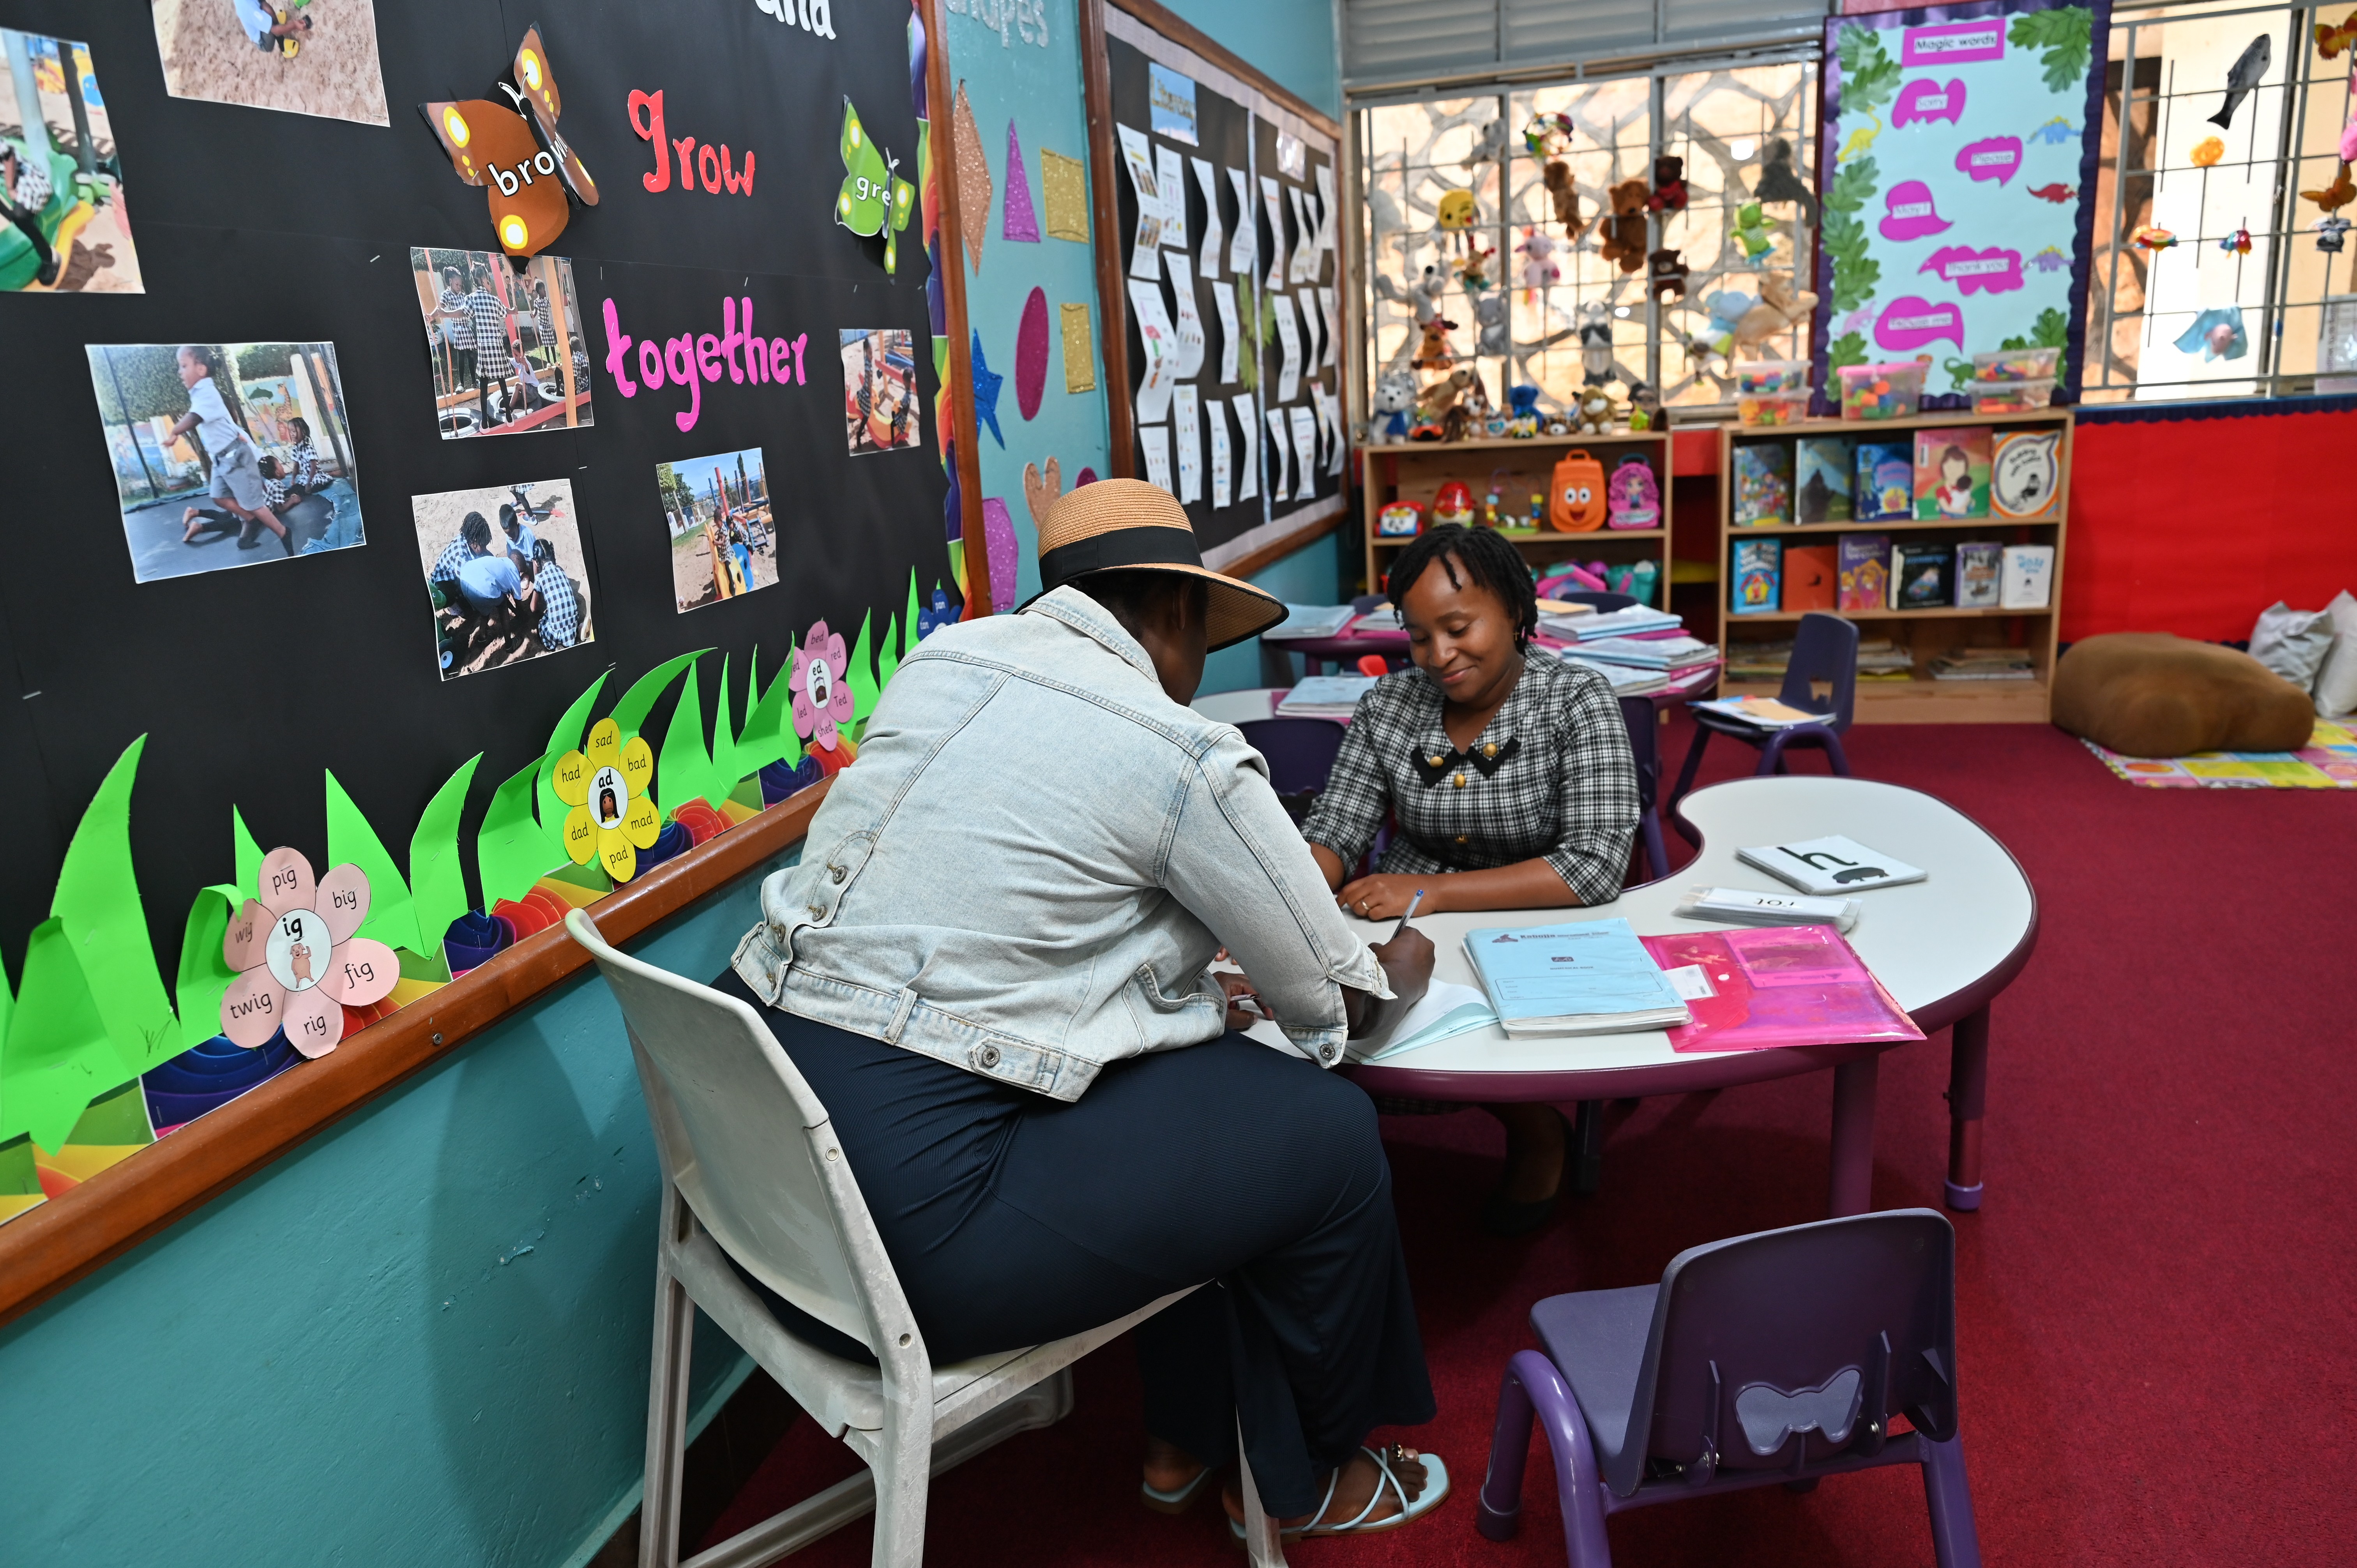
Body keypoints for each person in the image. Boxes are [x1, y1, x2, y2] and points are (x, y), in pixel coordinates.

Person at [716, 480, 1453, 1543]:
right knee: (1328, 1135)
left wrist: (1178, 1002)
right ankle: (1309, 1474)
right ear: (1177, 610)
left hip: (764, 1181)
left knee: (1203, 1084)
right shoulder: (1179, 748)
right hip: (904, 1244)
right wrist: (1407, 963)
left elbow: (1004, 928)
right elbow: (1337, 1002)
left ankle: (1181, 1439)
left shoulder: (942, 661)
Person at [1299, 524, 1639, 1235]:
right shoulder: (1387, 705)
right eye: (1419, 637)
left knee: (1485, 1027)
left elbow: (1596, 863)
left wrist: (1433, 893)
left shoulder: (1576, 698)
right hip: (1410, 920)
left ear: (1514, 610)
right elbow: (1335, 830)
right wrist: (1281, 893)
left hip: (1538, 914)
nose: (1438, 656)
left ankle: (1534, 1125)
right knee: (1351, 1022)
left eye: (1458, 629)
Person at [166, 346, 291, 556]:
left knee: (252, 506)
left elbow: (194, 418)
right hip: (222, 460)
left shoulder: (208, 393)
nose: (180, 372)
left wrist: (175, 431)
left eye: (184, 366)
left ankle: (283, 532)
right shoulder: (199, 395)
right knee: (218, 497)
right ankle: (249, 520)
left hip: (236, 458)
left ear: (201, 369)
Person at [451, 510, 538, 631]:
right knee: (502, 605)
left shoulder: (494, 559)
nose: (485, 550)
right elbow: (517, 599)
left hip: (467, 585)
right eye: (483, 545)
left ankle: (483, 635)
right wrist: (521, 613)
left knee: (486, 612)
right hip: (468, 586)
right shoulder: (462, 555)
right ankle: (509, 640)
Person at [0, 140, 60, 288]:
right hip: (6, 175)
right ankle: (19, 226)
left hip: (25, 176)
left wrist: (10, 188)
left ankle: (49, 256)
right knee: (17, 218)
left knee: (20, 216)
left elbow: (8, 155)